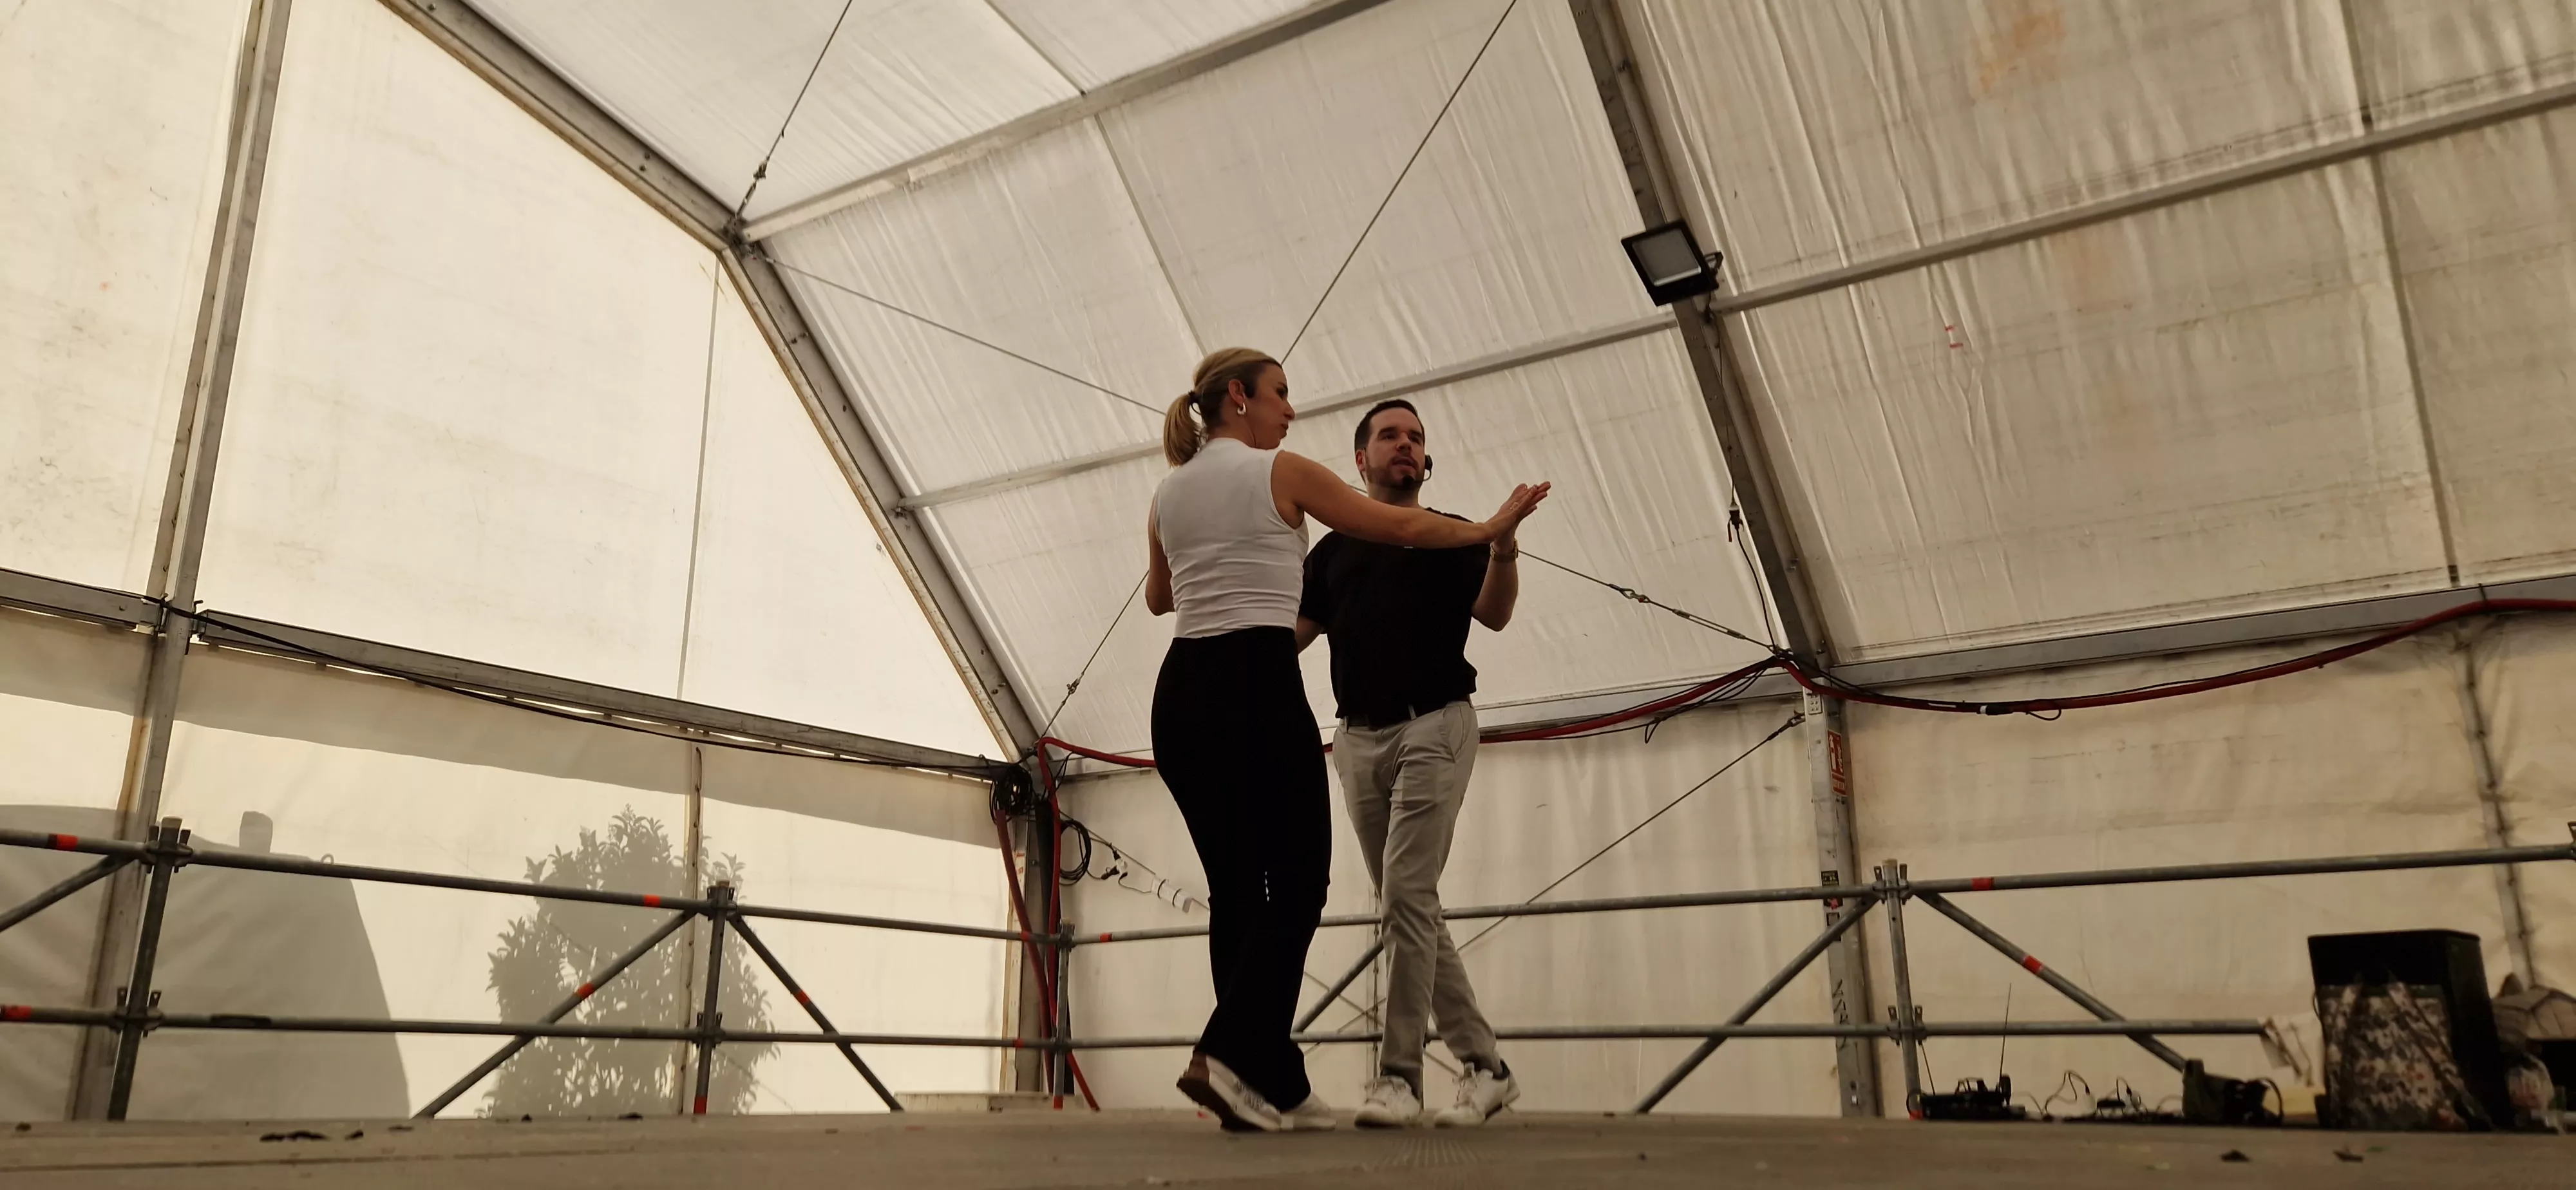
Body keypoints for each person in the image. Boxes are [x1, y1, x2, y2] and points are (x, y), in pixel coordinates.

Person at [1147, 348, 1548, 1133]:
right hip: (1259, 687)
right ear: (1240, 397)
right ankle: (1229, 1055)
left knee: (1237, 889)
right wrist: (1494, 525)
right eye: (1282, 394)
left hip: (1182, 694)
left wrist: (1228, 560)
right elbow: (1394, 525)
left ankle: (1271, 1079)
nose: (1290, 410)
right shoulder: (1288, 475)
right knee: (1299, 885)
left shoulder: (1167, 491)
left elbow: (1163, 597)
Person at [1295, 399, 1535, 1128]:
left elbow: (1493, 615)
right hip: (1357, 739)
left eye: (1416, 438)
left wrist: (1501, 547)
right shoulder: (1331, 552)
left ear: (1425, 463)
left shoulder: (1454, 535)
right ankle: (1487, 1067)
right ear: (1360, 461)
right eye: (1389, 436)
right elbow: (1290, 639)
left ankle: (1398, 1078)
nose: (1405, 444)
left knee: (1404, 895)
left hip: (1435, 724)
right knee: (1412, 906)